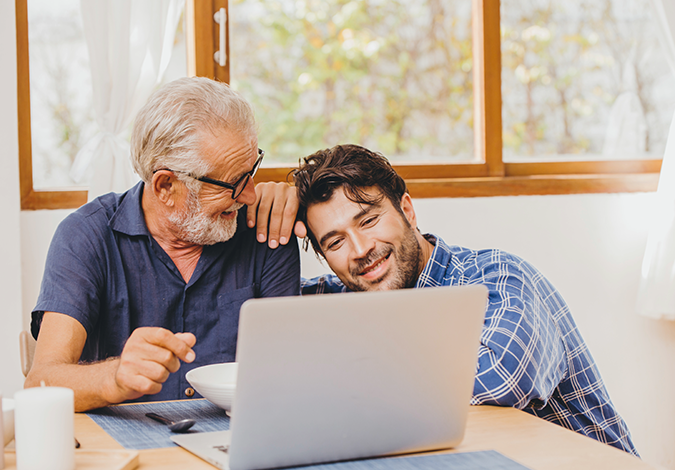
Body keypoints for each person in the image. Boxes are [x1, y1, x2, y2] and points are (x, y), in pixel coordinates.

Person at [251, 144, 638, 455]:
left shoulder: (498, 276)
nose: (360, 249)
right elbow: (257, 321)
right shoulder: (344, 297)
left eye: (368, 220)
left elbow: (503, 379)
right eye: (335, 242)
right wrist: (255, 211)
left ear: (407, 209)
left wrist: (343, 380)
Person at [25, 77, 300, 412]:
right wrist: (114, 377)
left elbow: (288, 377)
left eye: (250, 170)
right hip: (122, 449)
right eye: (233, 183)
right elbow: (42, 381)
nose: (250, 194)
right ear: (166, 185)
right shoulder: (86, 236)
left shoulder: (264, 232)